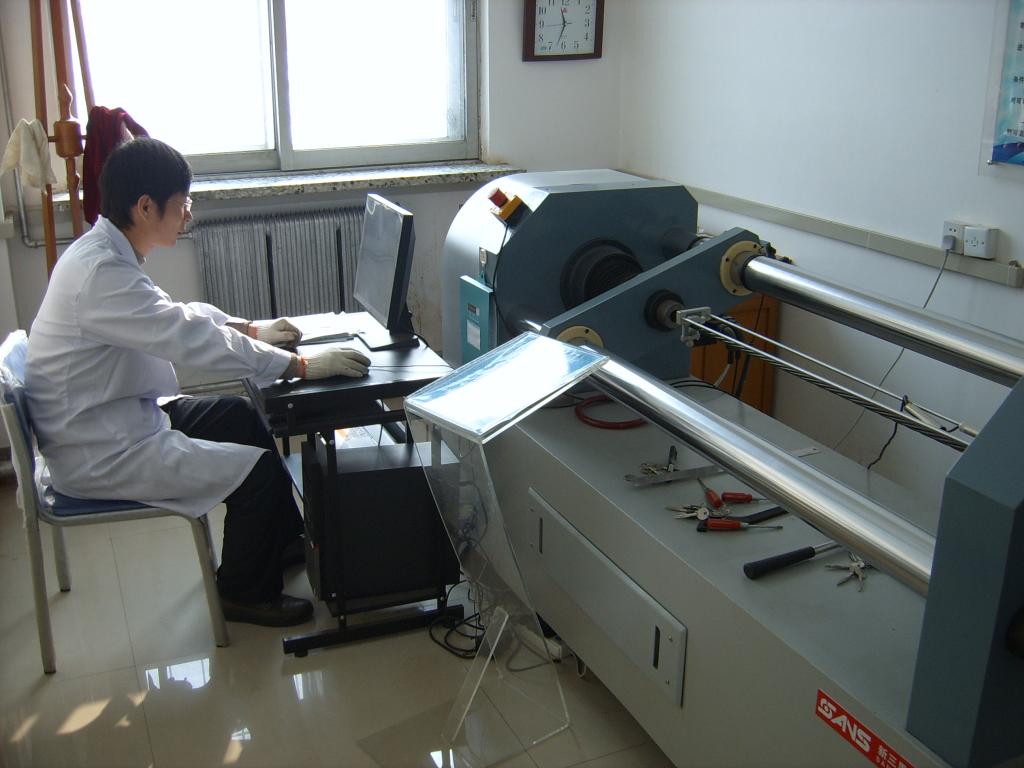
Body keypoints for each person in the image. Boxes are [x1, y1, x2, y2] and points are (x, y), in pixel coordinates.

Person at [25, 137, 370, 627]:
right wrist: (299, 366)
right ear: (146, 207)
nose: (189, 213)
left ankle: (283, 541)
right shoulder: (100, 273)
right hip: (102, 450)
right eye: (182, 203)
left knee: (238, 415)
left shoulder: (104, 253)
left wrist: (248, 329)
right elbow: (187, 337)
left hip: (114, 416)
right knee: (255, 473)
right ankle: (243, 593)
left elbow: (173, 314)